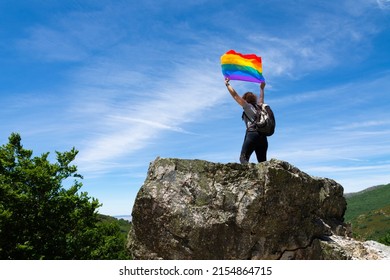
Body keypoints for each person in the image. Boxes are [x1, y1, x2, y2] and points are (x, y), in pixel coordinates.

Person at [224, 77, 268, 163]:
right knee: (263, 163)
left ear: (245, 99)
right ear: (254, 99)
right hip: (263, 137)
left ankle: (250, 175)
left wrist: (227, 84)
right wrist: (262, 88)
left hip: (252, 134)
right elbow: (261, 99)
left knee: (243, 158)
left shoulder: (247, 106)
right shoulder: (260, 107)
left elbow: (235, 96)